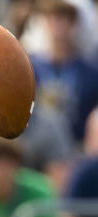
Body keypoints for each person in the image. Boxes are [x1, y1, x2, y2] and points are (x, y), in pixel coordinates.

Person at [29, 0, 98, 144]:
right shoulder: (30, 67)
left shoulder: (90, 73)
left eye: (64, 19)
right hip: (38, 146)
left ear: (73, 24)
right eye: (53, 18)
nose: (58, 25)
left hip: (77, 146)